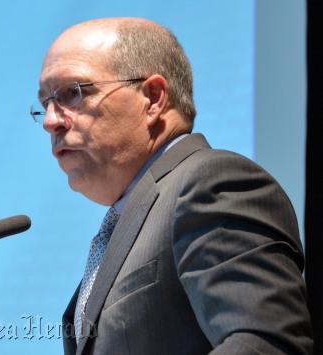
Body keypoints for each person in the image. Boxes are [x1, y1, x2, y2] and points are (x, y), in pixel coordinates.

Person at [30, 18, 313, 354]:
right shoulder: (130, 217)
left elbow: (265, 344)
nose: (50, 121)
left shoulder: (213, 183)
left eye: (73, 93)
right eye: (46, 102)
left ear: (153, 97)